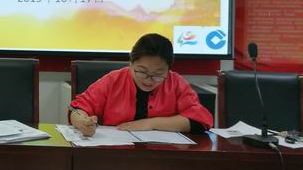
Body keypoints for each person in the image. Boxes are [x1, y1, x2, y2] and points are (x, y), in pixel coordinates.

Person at [70, 33, 213, 136]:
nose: (148, 80)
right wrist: (83, 122)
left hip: (164, 156)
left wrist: (151, 123)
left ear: (168, 69)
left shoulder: (175, 82)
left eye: (158, 74)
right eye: (142, 72)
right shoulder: (113, 80)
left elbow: (200, 120)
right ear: (131, 63)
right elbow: (78, 108)